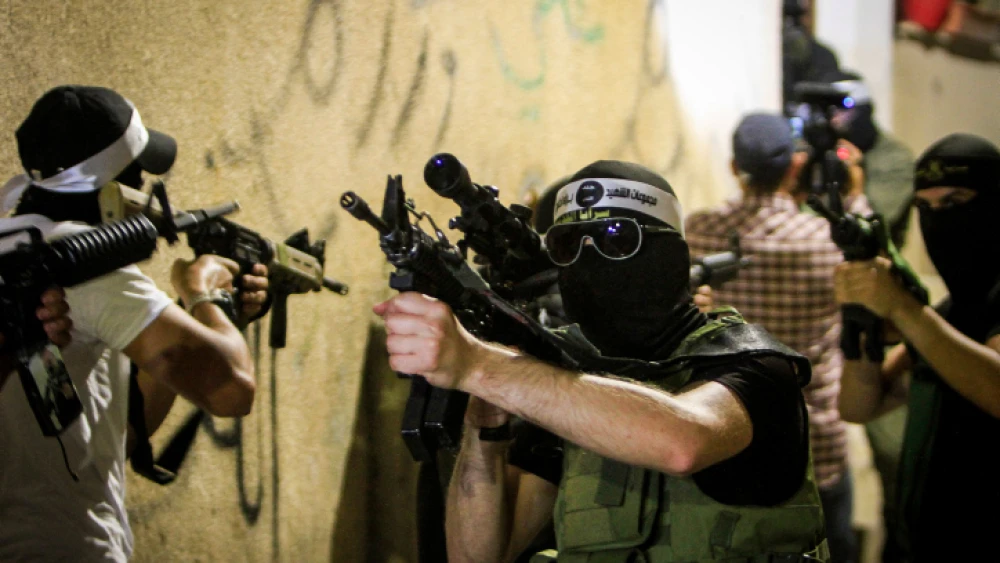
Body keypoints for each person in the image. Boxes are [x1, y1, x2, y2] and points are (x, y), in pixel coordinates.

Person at [375, 160, 828, 562]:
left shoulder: (754, 364)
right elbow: (479, 556)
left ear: (671, 252)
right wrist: (484, 422)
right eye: (569, 243)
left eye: (617, 237)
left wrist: (481, 366)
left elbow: (683, 443)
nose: (590, 259)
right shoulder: (570, 377)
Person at [0, 85, 265, 561]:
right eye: (138, 175)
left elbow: (123, 435)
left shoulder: (18, 246)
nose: (144, 192)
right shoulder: (83, 266)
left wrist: (199, 319)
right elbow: (233, 389)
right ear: (111, 188)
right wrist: (202, 289)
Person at [686, 113, 874, 563]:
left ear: (735, 166)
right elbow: (869, 250)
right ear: (794, 166)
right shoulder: (823, 238)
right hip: (814, 438)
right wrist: (855, 188)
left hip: (729, 438)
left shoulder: (700, 231)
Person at [835, 133, 1000, 562]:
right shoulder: (948, 312)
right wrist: (864, 321)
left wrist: (905, 310)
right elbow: (859, 406)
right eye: (924, 208)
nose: (938, 220)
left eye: (955, 201)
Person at [819, 71, 916, 249]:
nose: (835, 119)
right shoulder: (821, 151)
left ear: (864, 109)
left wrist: (854, 175)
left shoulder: (894, 157)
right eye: (828, 111)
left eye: (843, 108)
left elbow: (875, 220)